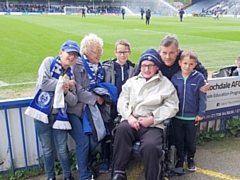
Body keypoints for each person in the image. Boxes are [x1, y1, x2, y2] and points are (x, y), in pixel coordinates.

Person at [111, 48, 179, 180]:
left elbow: (172, 106)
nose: (147, 69)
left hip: (153, 125)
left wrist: (153, 118)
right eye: (144, 65)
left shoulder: (165, 84)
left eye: (150, 65)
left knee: (151, 146)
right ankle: (119, 172)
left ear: (157, 67)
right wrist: (129, 117)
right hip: (132, 120)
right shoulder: (132, 82)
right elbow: (122, 101)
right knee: (121, 130)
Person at [25, 40, 80, 180]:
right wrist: (65, 83)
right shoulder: (49, 62)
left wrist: (66, 92)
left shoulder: (72, 73)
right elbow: (43, 83)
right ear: (61, 52)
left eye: (75, 55)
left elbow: (73, 100)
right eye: (69, 53)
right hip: (41, 115)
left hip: (59, 117)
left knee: (62, 149)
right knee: (48, 150)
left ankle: (67, 176)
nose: (72, 57)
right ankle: (51, 177)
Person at [67, 33, 105, 180]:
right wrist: (96, 98)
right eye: (97, 51)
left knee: (94, 140)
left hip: (88, 110)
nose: (100, 54)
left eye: (100, 51)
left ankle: (83, 164)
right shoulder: (77, 65)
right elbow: (78, 90)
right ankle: (84, 174)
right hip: (74, 110)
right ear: (86, 52)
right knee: (83, 142)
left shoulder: (99, 67)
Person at [99, 39, 136, 174]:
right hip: (110, 107)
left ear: (129, 53)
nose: (122, 55)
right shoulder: (106, 67)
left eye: (125, 52)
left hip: (125, 108)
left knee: (119, 136)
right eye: (120, 52)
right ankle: (104, 159)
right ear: (115, 52)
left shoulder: (134, 68)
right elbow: (99, 85)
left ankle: (117, 160)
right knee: (106, 135)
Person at [171, 50, 207, 171]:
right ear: (180, 63)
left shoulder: (199, 78)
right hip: (177, 117)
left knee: (191, 141)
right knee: (179, 141)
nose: (187, 66)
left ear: (195, 64)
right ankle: (180, 160)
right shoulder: (174, 77)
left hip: (192, 117)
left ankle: (190, 159)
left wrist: (201, 113)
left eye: (191, 64)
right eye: (185, 63)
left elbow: (203, 97)